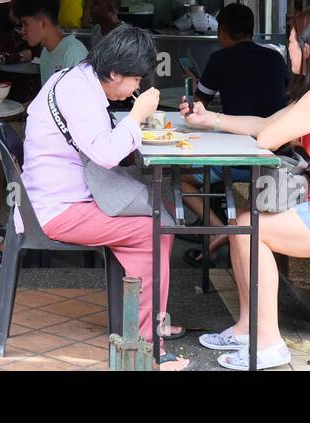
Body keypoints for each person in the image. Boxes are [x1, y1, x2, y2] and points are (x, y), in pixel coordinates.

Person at [181, 8, 310, 370]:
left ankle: (269, 344)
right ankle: (247, 330)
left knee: (250, 231)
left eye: (292, 43)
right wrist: (211, 120)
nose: (287, 50)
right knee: (242, 225)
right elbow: (267, 122)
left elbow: (268, 137)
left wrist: (249, 128)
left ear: (309, 49)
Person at [19, 26, 189, 370]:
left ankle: (152, 320)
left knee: (160, 216)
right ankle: (147, 344)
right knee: (153, 232)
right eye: (135, 79)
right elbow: (107, 154)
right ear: (114, 72)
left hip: (62, 195)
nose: (137, 87)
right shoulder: (79, 94)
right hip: (56, 209)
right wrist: (138, 116)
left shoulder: (77, 78)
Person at [180, 4, 292, 265]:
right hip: (277, 153)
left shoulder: (220, 59)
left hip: (241, 159)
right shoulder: (275, 57)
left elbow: (199, 104)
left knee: (181, 179)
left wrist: (196, 84)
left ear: (222, 32)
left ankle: (219, 229)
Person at [13, 0, 88, 83]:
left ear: (43, 23)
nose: (22, 30)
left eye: (25, 24)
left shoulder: (72, 52)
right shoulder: (45, 53)